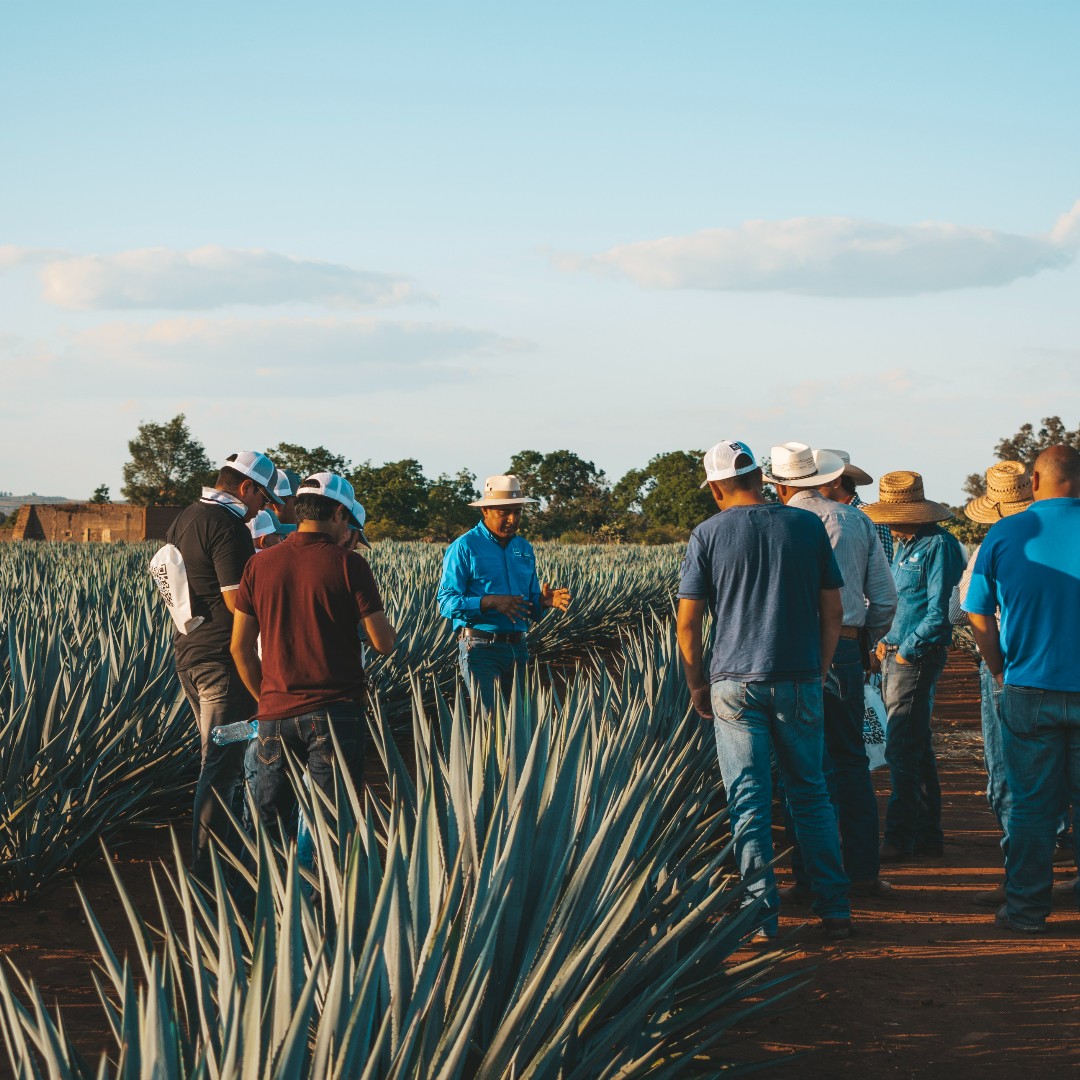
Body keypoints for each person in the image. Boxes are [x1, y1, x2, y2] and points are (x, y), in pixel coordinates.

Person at [676, 439, 851, 940]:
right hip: (798, 678)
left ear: (716, 489)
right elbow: (833, 612)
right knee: (811, 793)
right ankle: (835, 908)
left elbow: (688, 623)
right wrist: (818, 669)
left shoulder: (708, 534)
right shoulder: (806, 526)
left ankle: (761, 918)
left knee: (748, 799)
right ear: (761, 478)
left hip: (733, 684)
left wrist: (697, 684)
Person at [230, 472, 396, 836]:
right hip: (335, 713)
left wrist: (267, 699)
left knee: (270, 826)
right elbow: (383, 642)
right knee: (330, 826)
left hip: (274, 713)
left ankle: (272, 876)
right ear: (338, 513)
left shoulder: (259, 564)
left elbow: (239, 647)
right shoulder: (350, 565)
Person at [767, 443, 897, 898]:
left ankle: (809, 878)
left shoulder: (775, 523)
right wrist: (860, 640)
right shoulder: (857, 520)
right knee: (851, 760)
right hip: (843, 646)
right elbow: (885, 599)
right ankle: (861, 871)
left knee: (800, 765)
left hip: (789, 650)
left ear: (780, 485)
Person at [963, 445, 1080, 933]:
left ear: (1033, 481)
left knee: (1031, 807)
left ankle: (1027, 911)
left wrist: (998, 670)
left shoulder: (1006, 533)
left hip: (1028, 687)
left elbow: (977, 612)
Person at [165, 450, 283, 879]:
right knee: (222, 765)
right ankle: (209, 872)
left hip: (191, 656)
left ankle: (217, 863)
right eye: (263, 498)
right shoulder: (227, 525)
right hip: (223, 665)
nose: (262, 509)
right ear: (246, 487)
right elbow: (238, 601)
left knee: (216, 759)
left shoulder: (186, 517)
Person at [861, 471, 965, 863]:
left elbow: (941, 611)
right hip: (895, 654)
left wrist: (906, 650)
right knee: (915, 746)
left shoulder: (939, 546)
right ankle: (926, 837)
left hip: (915, 658)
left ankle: (900, 838)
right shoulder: (904, 545)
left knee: (902, 747)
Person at [952, 461, 1034, 905]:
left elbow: (962, 609)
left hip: (1007, 663)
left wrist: (996, 666)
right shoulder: (1055, 535)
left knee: (1006, 769)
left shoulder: (992, 544)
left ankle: (1019, 883)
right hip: (1058, 663)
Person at [437, 474, 571, 711]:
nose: (512, 519)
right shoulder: (464, 547)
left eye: (517, 512)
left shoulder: (524, 548)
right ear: (485, 511)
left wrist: (542, 601)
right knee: (489, 722)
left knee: (519, 722)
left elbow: (528, 605)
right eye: (504, 512)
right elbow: (446, 602)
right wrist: (488, 602)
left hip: (518, 649)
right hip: (480, 649)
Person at [824, 449, 895, 562]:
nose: (812, 487)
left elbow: (884, 565)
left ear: (836, 482)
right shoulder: (825, 515)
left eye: (819, 482)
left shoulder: (871, 517)